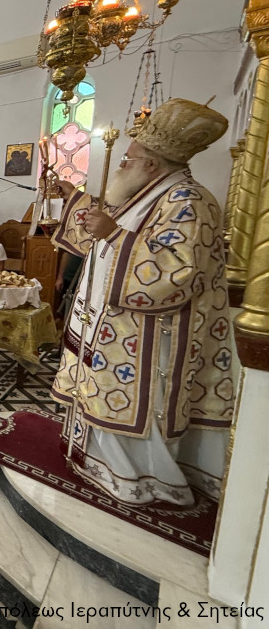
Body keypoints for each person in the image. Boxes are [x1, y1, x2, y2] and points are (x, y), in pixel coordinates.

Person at [49, 98, 235, 506]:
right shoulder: (144, 195)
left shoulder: (189, 201)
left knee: (141, 402)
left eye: (127, 158)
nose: (121, 164)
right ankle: (99, 461)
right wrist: (75, 200)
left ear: (151, 164)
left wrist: (114, 235)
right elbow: (101, 231)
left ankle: (143, 477)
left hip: (150, 335)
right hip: (112, 325)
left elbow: (175, 273)